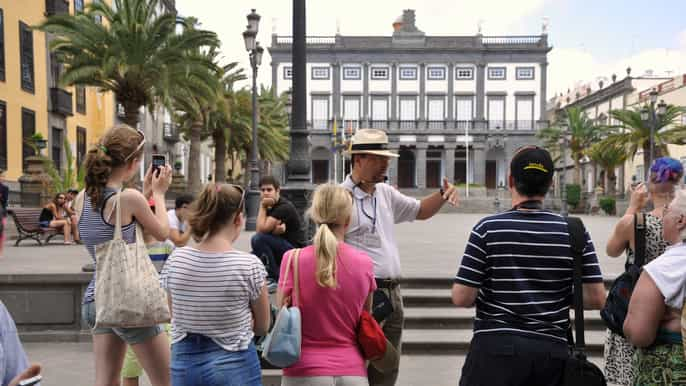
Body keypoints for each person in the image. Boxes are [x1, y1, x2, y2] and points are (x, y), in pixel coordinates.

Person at [452, 145, 607, 386]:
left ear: (511, 179)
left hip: (494, 350)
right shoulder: (574, 231)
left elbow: (462, 297)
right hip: (550, 352)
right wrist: (552, 292)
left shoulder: (487, 229)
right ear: (551, 182)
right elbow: (597, 298)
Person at [342, 128, 459, 386]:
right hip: (361, 296)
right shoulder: (341, 196)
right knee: (355, 366)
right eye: (378, 157)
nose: (385, 163)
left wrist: (442, 195)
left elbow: (419, 211)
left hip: (392, 294)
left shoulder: (385, 193)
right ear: (358, 159)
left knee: (387, 367)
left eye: (386, 158)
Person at [77, 124, 173, 386]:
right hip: (127, 301)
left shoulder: (83, 198)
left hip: (96, 299)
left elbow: (117, 220)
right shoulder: (128, 198)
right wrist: (160, 195)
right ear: (133, 162)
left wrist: (145, 193)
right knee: (168, 380)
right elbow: (163, 232)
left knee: (106, 382)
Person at [161, 183, 270, 386]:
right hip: (235, 362)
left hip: (185, 362)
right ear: (238, 219)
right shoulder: (249, 265)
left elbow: (173, 313)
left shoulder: (176, 260)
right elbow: (263, 326)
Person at [277, 183, 377, 386]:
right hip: (352, 371)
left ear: (314, 216)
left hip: (304, 370)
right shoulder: (364, 263)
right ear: (348, 220)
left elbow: (282, 312)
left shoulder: (292, 259)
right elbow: (365, 317)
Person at [603, 157, 682, 385]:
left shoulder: (635, 223)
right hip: (674, 318)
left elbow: (611, 250)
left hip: (637, 311)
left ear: (649, 182)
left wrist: (633, 206)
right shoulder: (681, 220)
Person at [624, 188, 686, 385]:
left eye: (667, 209)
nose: (662, 214)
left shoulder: (664, 268)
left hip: (670, 369)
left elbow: (639, 333)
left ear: (680, 221)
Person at [121, 198, 174, 386]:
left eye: (151, 213)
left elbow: (172, 280)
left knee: (164, 366)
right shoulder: (130, 245)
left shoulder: (167, 247)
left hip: (162, 312)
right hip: (136, 311)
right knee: (130, 366)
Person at [251, 176, 306, 282]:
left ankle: (275, 277)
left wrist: (262, 207)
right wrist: (273, 232)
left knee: (258, 239)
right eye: (262, 190)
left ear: (277, 191)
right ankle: (265, 275)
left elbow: (260, 231)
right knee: (251, 257)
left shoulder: (283, 207)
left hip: (294, 252)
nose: (266, 193)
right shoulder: (269, 206)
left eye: (269, 190)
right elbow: (260, 230)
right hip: (280, 248)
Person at [0, 170, 8, 258]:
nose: (2, 178)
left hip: (1, 213)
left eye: (3, 176)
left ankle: (0, 252)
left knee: (1, 233)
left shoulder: (5, 188)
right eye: (1, 176)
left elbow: (4, 202)